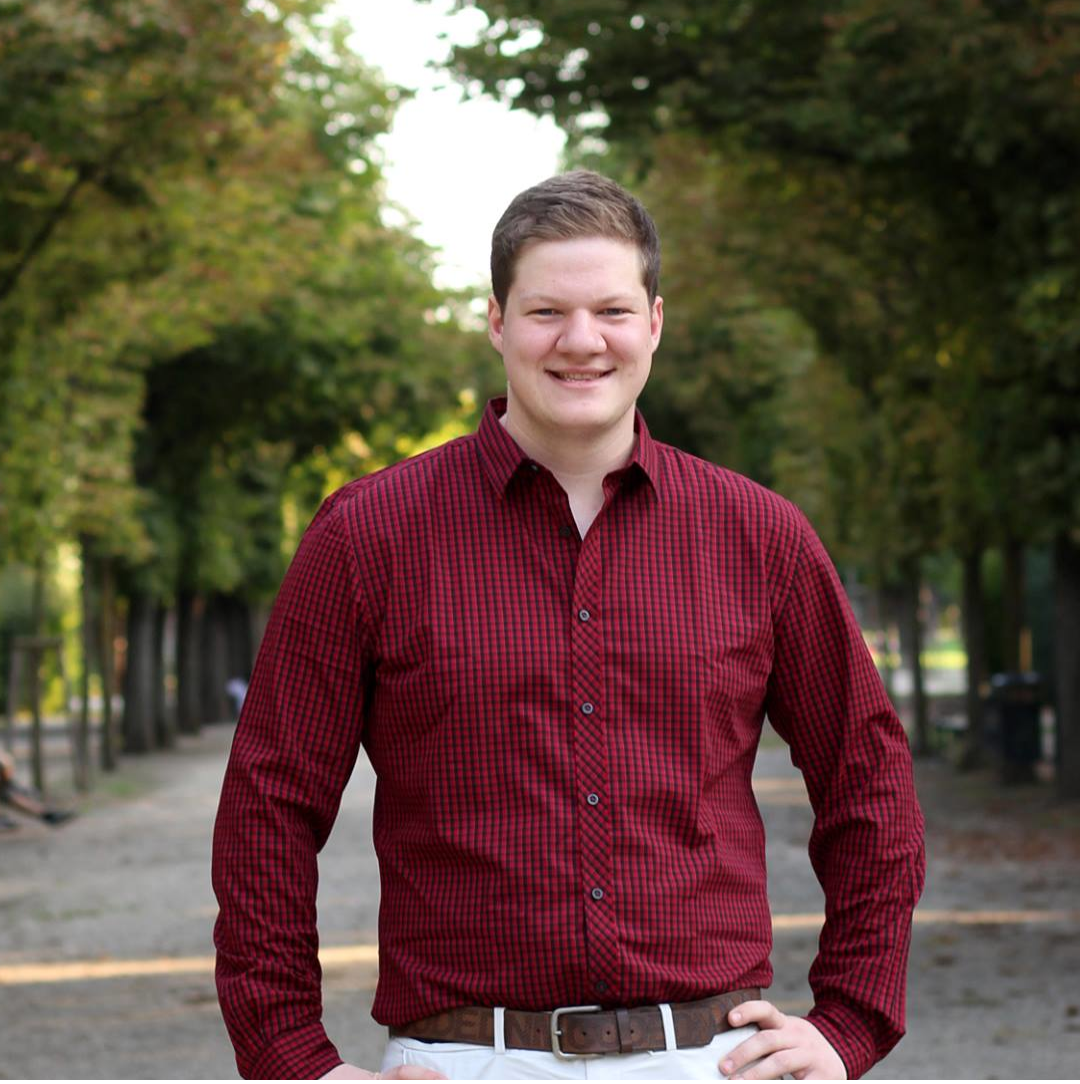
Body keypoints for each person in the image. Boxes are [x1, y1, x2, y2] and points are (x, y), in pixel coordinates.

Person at [212, 171, 925, 1081]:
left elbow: (868, 776)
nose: (582, 341)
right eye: (547, 311)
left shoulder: (760, 536)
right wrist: (294, 1059)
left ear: (654, 322)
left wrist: (852, 1018)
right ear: (496, 322)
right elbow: (269, 804)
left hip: (707, 1061)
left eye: (612, 311)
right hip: (463, 1061)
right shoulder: (368, 535)